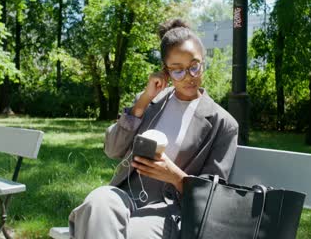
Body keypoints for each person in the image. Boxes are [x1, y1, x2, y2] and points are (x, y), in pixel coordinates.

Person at [68, 19, 238, 239]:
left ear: (203, 62)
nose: (188, 77)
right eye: (177, 71)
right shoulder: (151, 101)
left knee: (131, 234)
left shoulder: (223, 124)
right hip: (125, 196)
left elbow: (212, 197)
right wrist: (142, 103)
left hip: (169, 211)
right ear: (165, 72)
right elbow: (112, 150)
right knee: (97, 202)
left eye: (194, 66)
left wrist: (176, 177)